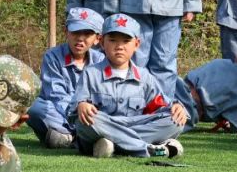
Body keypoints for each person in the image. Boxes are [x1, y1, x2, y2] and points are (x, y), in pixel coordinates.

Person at [71, 14, 190, 158]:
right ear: (102, 42)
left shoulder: (144, 77)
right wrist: (81, 105)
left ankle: (113, 145)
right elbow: (73, 112)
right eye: (113, 40)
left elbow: (160, 105)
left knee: (175, 121)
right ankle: (146, 149)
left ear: (137, 44)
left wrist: (177, 107)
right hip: (102, 123)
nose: (119, 47)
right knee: (87, 121)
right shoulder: (91, 73)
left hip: (128, 127)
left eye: (126, 41)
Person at [27, 7, 105, 149]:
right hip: (61, 113)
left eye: (87, 34)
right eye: (75, 32)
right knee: (33, 106)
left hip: (90, 115)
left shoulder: (101, 61)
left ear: (97, 39)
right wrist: (77, 112)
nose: (80, 38)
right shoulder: (52, 56)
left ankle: (66, 138)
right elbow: (56, 95)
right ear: (66, 32)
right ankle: (82, 138)